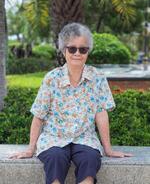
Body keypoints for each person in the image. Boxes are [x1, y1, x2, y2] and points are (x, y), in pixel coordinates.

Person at [10, 22, 132, 184]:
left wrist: (108, 149)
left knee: (90, 159)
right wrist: (30, 149)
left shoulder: (98, 77)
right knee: (55, 158)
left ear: (88, 51)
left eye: (83, 49)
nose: (77, 53)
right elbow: (39, 115)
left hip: (85, 138)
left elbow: (101, 114)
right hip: (53, 138)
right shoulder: (51, 78)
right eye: (72, 48)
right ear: (63, 50)